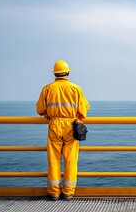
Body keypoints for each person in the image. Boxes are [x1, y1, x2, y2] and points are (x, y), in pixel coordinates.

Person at [36, 60, 90, 201]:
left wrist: (50, 115)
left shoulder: (47, 89)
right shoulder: (76, 88)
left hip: (54, 125)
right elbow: (83, 110)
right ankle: (68, 192)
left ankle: (53, 193)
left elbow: (40, 109)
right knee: (71, 160)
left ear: (54, 73)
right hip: (71, 126)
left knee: (54, 160)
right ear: (68, 73)